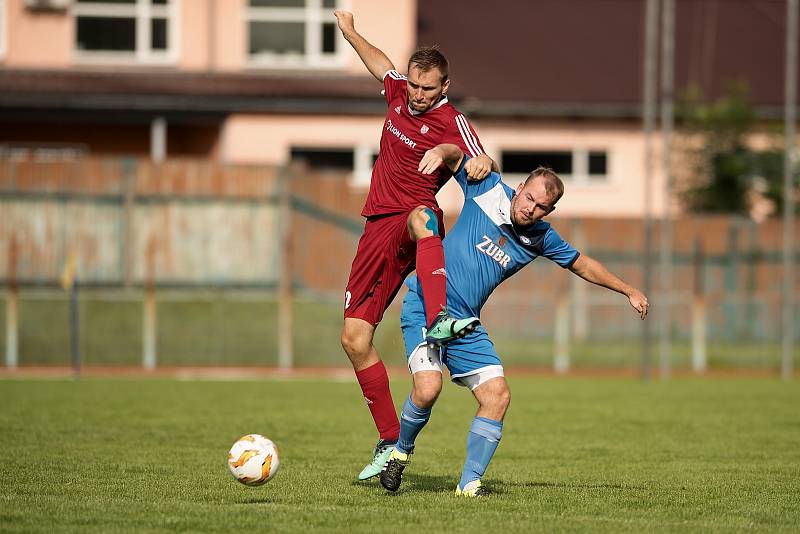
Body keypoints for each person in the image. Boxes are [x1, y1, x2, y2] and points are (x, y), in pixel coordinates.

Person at [378, 143, 650, 497]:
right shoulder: (487, 187)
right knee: (428, 390)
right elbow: (459, 155)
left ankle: (469, 484)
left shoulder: (542, 237)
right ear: (520, 187)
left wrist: (628, 289)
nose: (530, 209)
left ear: (549, 211)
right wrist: (451, 153)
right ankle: (400, 453)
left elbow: (582, 264)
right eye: (529, 198)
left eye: (541, 207)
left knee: (498, 396)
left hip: (466, 323)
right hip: (426, 303)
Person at [333, 10, 497, 481]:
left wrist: (470, 158)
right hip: (376, 229)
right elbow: (379, 62)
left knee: (426, 218)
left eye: (429, 88)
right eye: (414, 86)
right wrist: (349, 31)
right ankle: (389, 441)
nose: (419, 95)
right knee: (354, 339)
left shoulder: (452, 121)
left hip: (414, 223)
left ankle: (439, 315)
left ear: (445, 86)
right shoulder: (399, 95)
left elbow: (478, 153)